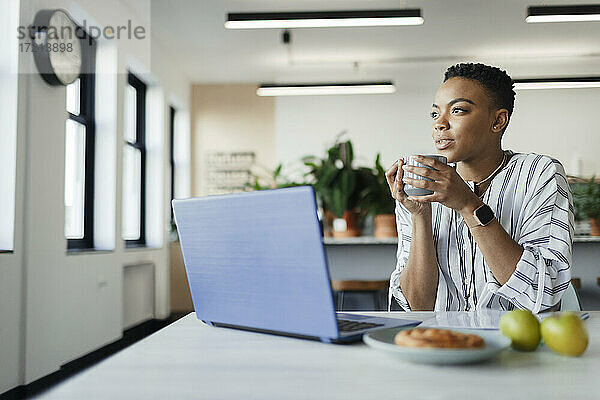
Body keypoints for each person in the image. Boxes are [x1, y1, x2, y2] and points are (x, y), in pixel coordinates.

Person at [386, 63, 573, 313]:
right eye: (434, 114)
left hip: (517, 346)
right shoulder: (421, 189)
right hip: (444, 345)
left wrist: (468, 205)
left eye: (458, 110)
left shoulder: (540, 173)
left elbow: (543, 294)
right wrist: (420, 216)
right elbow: (419, 306)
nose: (440, 124)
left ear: (498, 120)